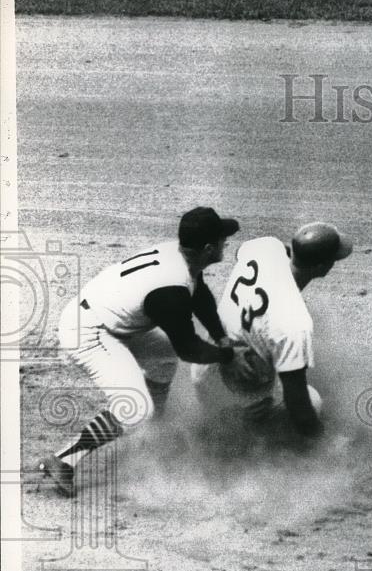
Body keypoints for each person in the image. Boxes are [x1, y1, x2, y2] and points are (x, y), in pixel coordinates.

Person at [40, 207, 246, 496]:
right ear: (209, 248)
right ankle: (63, 460)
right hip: (88, 332)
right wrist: (227, 357)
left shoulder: (179, 258)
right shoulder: (170, 291)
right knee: (137, 409)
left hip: (110, 318)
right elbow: (189, 349)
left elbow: (199, 295)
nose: (227, 242)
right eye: (223, 239)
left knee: (163, 358)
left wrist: (222, 339)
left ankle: (152, 437)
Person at [190, 222, 353, 438]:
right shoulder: (294, 322)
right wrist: (324, 442)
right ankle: (241, 429)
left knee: (274, 356)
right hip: (229, 394)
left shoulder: (266, 247)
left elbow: (242, 252)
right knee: (312, 403)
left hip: (203, 367)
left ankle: (229, 417)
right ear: (322, 268)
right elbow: (300, 409)